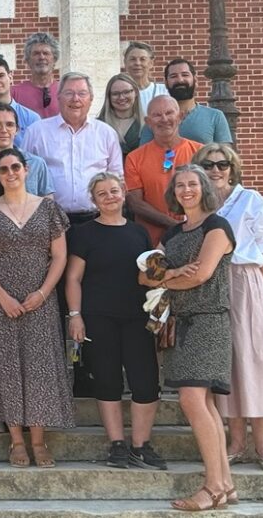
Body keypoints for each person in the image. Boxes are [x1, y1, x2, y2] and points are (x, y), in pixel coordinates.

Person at [194, 144, 263, 471]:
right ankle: (236, 442)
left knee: (256, 362)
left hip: (245, 282)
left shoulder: (250, 199)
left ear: (232, 168)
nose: (215, 170)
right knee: (227, 365)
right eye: (208, 164)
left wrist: (254, 290)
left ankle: (262, 445)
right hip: (211, 285)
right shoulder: (199, 203)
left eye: (222, 164)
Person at [0, 148, 73, 468]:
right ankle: (16, 441)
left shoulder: (49, 209)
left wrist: (43, 293)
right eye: (4, 169)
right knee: (7, 368)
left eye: (15, 167)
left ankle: (38, 441)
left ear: (27, 170)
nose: (11, 173)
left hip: (39, 299)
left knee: (39, 368)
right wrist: (1, 296)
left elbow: (60, 256)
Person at [140, 165, 236, 510]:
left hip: (208, 322)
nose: (186, 190)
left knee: (193, 400)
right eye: (180, 185)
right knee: (204, 403)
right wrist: (172, 273)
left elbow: (202, 275)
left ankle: (213, 487)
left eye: (192, 184)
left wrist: (167, 277)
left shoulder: (217, 227)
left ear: (204, 188)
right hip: (179, 324)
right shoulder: (173, 233)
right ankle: (226, 485)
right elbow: (144, 277)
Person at [64, 172, 166, 470]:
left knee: (145, 381)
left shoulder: (139, 233)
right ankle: (117, 445)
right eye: (102, 193)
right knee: (107, 381)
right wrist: (75, 316)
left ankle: (141, 446)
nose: (109, 197)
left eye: (113, 191)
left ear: (123, 193)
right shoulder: (83, 233)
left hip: (138, 318)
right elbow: (73, 278)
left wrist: (160, 314)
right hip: (98, 317)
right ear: (93, 200)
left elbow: (150, 277)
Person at [23, 72, 123, 226]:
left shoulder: (106, 133)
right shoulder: (36, 132)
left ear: (91, 98)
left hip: (98, 219)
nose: (75, 99)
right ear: (58, 97)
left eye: (82, 93)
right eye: (69, 93)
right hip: (50, 221)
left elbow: (116, 178)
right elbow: (23, 175)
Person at [125, 96, 203, 246]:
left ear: (180, 116)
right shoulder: (134, 158)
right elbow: (135, 203)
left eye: (169, 113)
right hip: (150, 242)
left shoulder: (200, 152)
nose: (164, 119)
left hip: (195, 238)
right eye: (157, 115)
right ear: (148, 122)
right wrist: (174, 225)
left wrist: (189, 226)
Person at [139, 59, 233, 147]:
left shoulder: (215, 116)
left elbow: (226, 155)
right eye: (173, 76)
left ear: (195, 80)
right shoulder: (156, 120)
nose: (180, 80)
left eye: (185, 75)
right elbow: (144, 155)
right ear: (166, 83)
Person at [10, 32, 61, 118]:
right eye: (36, 53)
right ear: (28, 60)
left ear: (54, 59)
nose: (41, 57)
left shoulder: (65, 91)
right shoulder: (14, 93)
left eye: (46, 53)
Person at [97, 73, 145, 158]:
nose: (121, 97)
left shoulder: (147, 125)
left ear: (136, 92)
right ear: (109, 97)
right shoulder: (98, 126)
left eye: (126, 92)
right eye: (115, 94)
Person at [122, 41, 168, 111]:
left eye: (143, 59)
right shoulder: (118, 93)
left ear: (151, 63)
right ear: (125, 62)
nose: (137, 63)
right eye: (132, 59)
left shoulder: (164, 91)